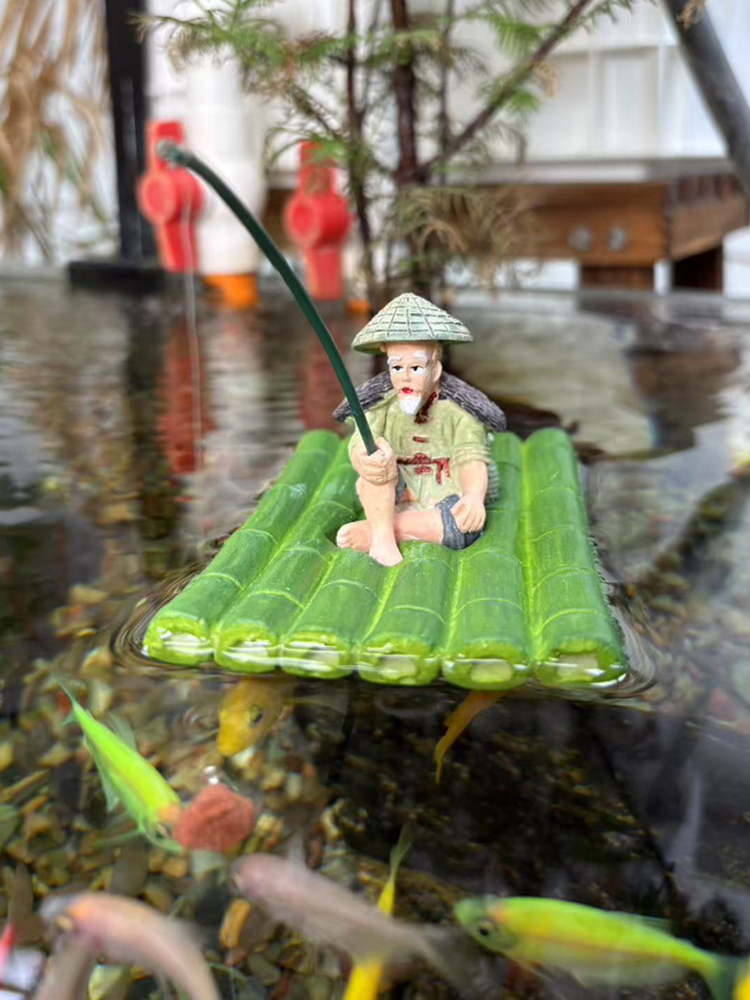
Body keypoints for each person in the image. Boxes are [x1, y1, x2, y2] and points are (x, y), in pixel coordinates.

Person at [333, 293, 506, 566]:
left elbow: (471, 458)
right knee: (373, 473)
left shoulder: (459, 412)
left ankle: (378, 530)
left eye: (415, 367)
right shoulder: (380, 406)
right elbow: (361, 440)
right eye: (397, 367)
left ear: (435, 369)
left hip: (445, 497)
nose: (405, 376)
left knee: (462, 525)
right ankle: (385, 536)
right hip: (397, 492)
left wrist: (473, 497)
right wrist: (365, 459)